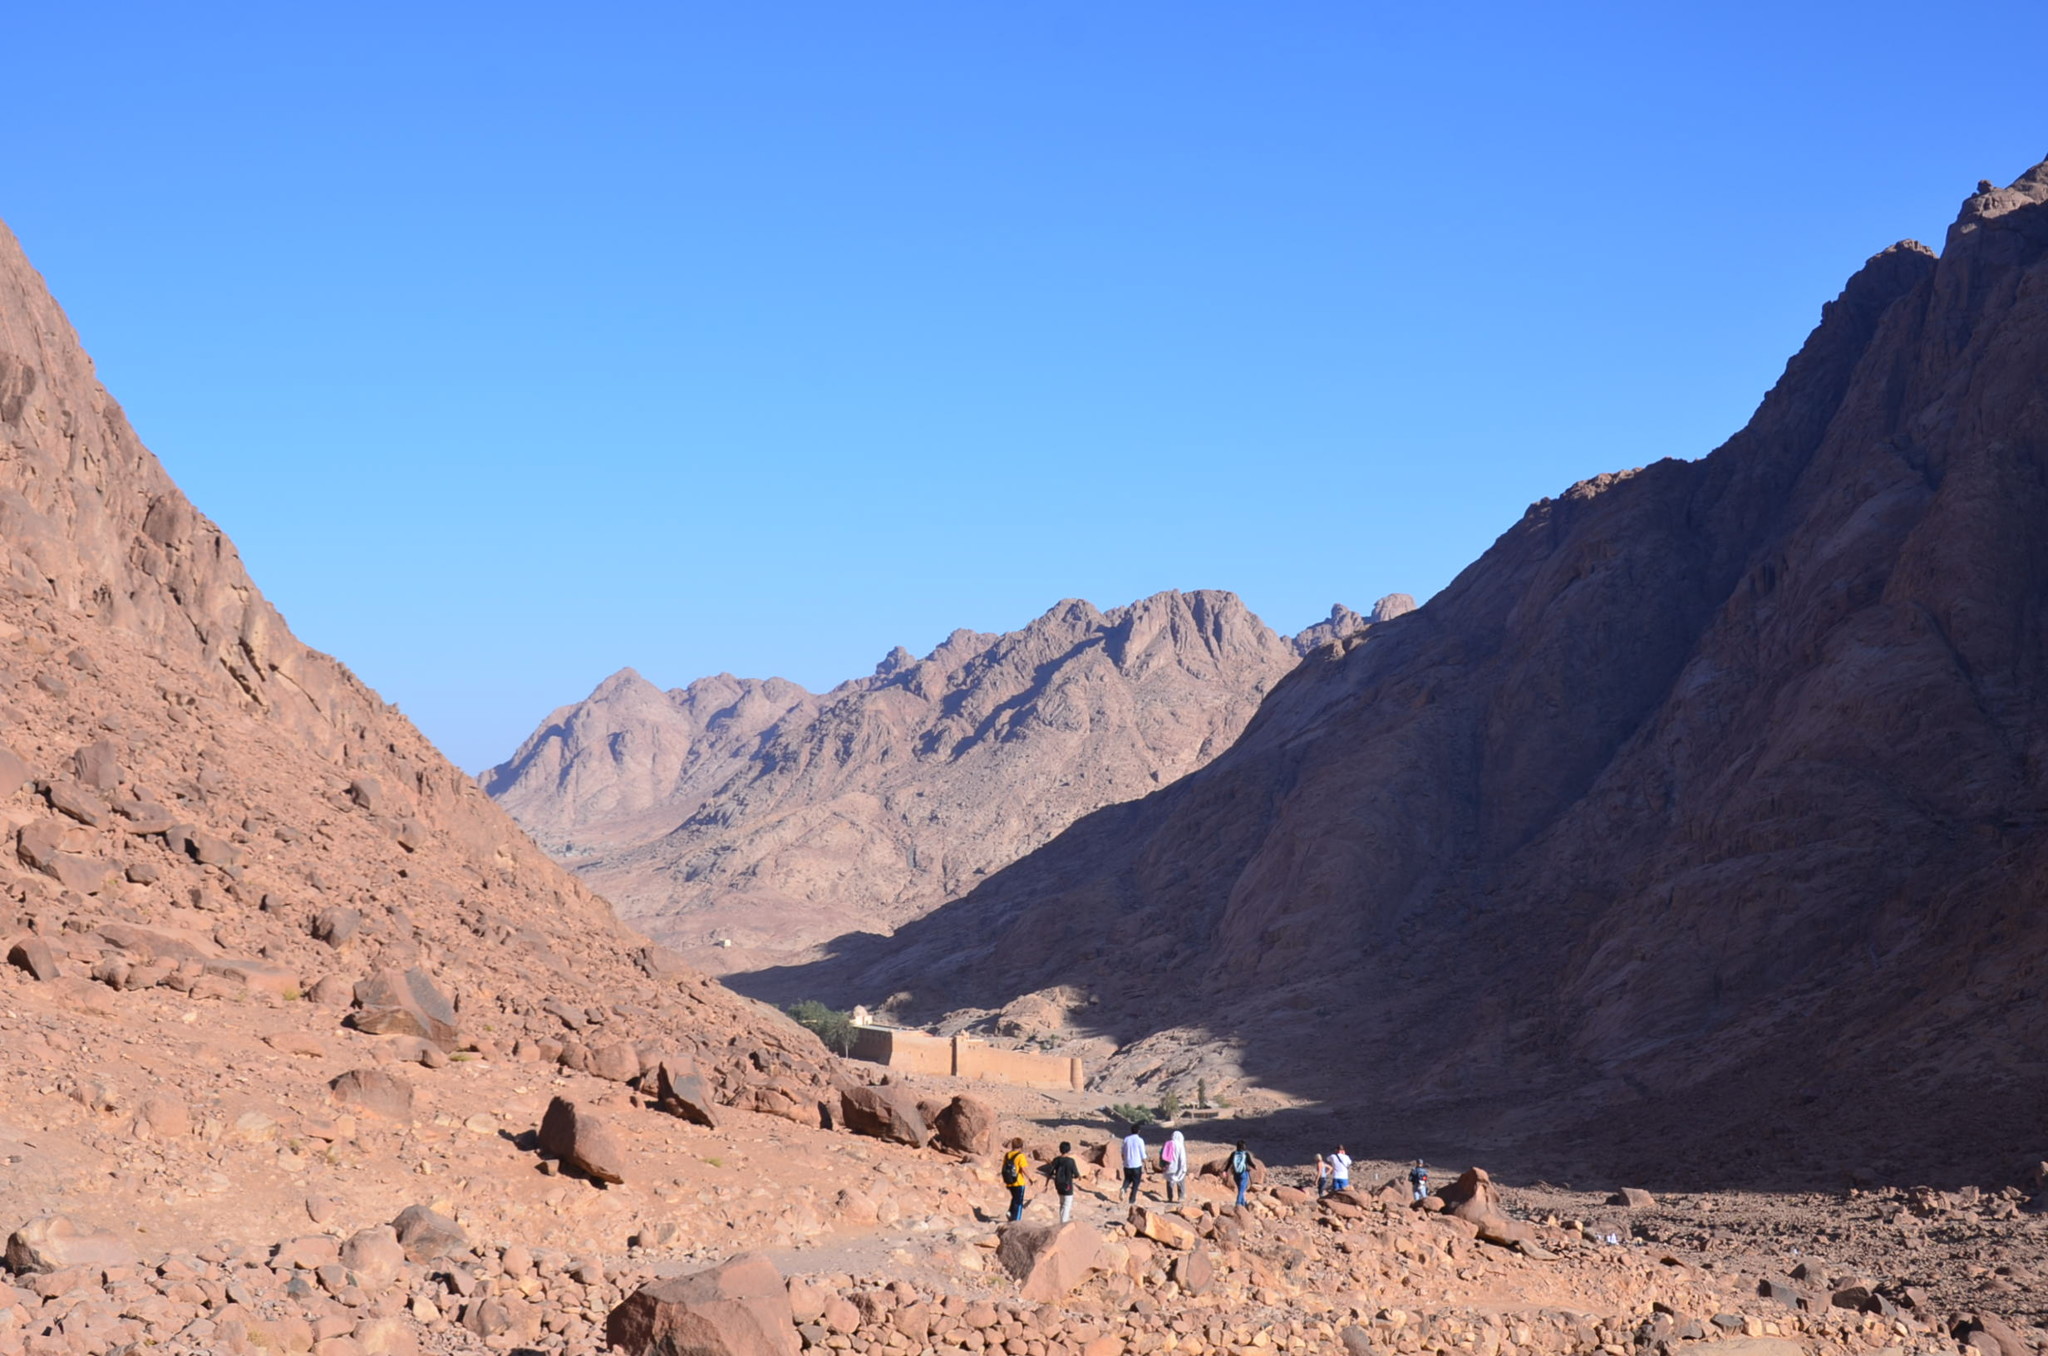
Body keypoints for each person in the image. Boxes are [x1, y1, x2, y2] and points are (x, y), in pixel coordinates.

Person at [1047, 1141, 1081, 1223]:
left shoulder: (1056, 1160)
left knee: (1062, 1204)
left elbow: (1050, 1172)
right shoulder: (1071, 1161)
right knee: (1066, 1205)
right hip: (1067, 1186)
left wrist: (1046, 1184)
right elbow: (1076, 1174)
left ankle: (1061, 1221)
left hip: (1058, 1185)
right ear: (1069, 1150)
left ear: (1060, 1149)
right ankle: (1063, 1223)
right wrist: (1078, 1177)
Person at [1002, 1138, 1030, 1221]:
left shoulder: (1007, 1155)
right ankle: (1016, 1220)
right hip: (1018, 1182)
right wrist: (1030, 1178)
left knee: (1015, 1198)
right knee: (1019, 1202)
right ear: (1021, 1146)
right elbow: (1023, 1168)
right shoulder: (1020, 1156)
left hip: (1009, 1181)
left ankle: (1010, 1212)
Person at [1161, 1130, 1189, 1203]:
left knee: (1169, 1181)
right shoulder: (1180, 1146)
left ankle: (1170, 1197)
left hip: (1169, 1166)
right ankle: (1181, 1197)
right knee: (1180, 1181)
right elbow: (1182, 1158)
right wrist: (1184, 1167)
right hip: (1178, 1167)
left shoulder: (1168, 1143)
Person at [1120, 1127, 1146, 1204]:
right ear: (1139, 1131)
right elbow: (1142, 1154)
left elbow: (1122, 1152)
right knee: (1136, 1182)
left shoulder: (1126, 1139)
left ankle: (1124, 1188)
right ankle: (1132, 1199)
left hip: (1127, 1164)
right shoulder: (1140, 1140)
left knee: (1127, 1179)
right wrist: (1145, 1162)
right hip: (1136, 1164)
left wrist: (1124, 1160)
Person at [1229, 1139, 1253, 1207]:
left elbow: (1229, 1163)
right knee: (1241, 1190)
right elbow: (1250, 1162)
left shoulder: (1233, 1154)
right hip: (1244, 1173)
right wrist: (1254, 1166)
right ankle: (1238, 1203)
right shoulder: (1246, 1154)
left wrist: (1225, 1170)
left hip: (1235, 1174)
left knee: (1241, 1189)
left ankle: (1243, 1203)